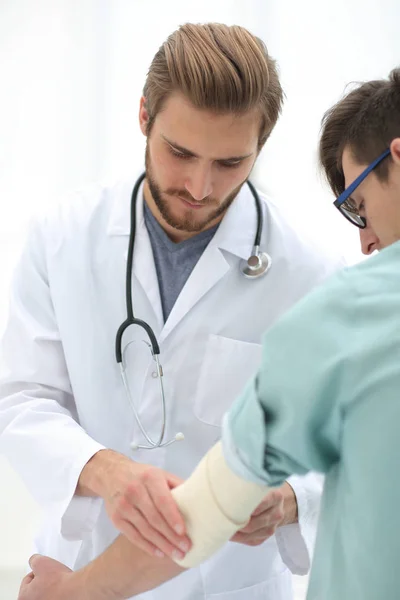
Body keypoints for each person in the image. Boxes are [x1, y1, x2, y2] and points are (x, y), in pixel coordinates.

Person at [17, 66, 400, 600]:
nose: (200, 186)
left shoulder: (319, 274)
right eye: (180, 153)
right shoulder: (61, 236)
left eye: (230, 162)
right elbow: (20, 397)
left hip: (228, 583)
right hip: (86, 549)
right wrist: (103, 470)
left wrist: (288, 497)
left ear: (261, 146)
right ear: (144, 117)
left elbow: (322, 461)